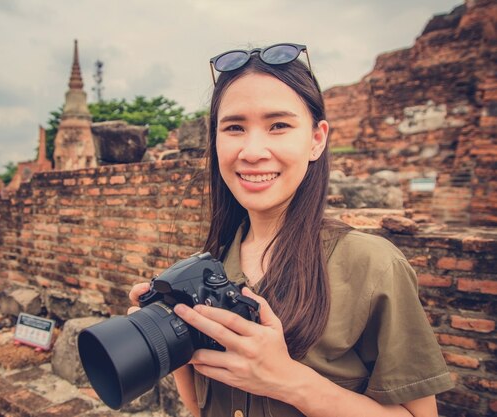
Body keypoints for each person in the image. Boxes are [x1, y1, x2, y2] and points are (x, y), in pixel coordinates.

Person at [129, 43, 454, 417]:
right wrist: (173, 344)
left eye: (278, 125)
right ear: (215, 140)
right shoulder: (213, 267)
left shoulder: (372, 266)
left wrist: (288, 381)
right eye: (234, 127)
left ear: (317, 139)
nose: (252, 151)